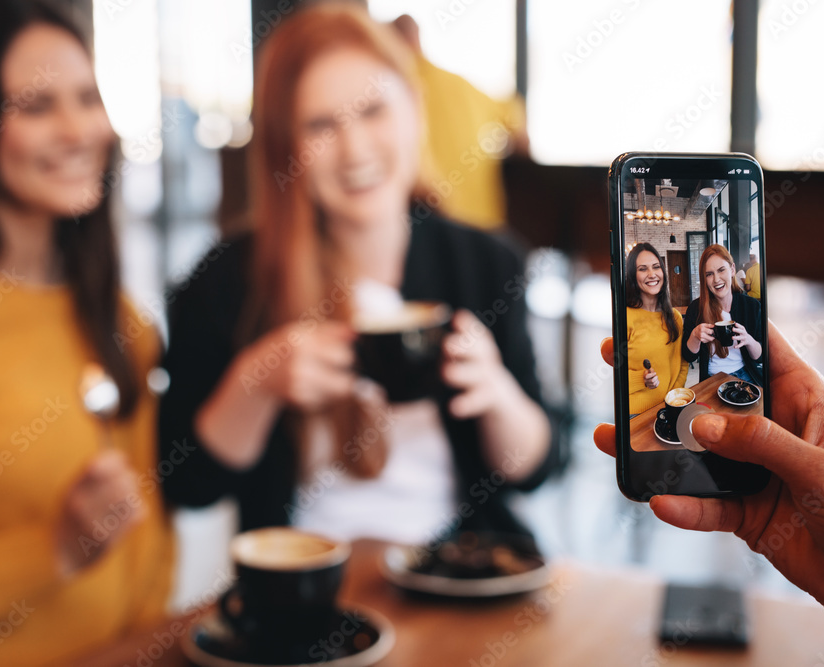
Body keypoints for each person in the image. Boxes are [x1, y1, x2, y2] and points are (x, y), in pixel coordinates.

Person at [158, 3, 559, 545]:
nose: (355, 149)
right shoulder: (228, 279)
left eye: (373, 110)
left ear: (414, 111)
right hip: (306, 591)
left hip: (456, 576)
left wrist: (495, 392)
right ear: (285, 147)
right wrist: (258, 383)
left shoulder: (486, 264)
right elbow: (187, 483)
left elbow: (535, 469)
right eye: (321, 124)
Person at [0, 2, 173, 664]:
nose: (79, 130)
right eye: (36, 105)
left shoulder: (118, 317)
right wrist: (48, 551)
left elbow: (145, 535)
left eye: (85, 97)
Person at [593, 323, 824, 667]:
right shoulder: (694, 318)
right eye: (710, 274)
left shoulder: (743, 318)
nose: (717, 280)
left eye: (723, 272)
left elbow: (758, 361)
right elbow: (688, 360)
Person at [390, 14, 529, 230]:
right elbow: (518, 125)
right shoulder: (461, 85)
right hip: (484, 225)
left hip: (430, 226)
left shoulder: (390, 94)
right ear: (417, 39)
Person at [682, 244, 763, 384]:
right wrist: (695, 336)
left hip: (747, 374)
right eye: (709, 274)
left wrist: (748, 340)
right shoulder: (696, 309)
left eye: (721, 270)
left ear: (732, 270)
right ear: (704, 279)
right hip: (712, 378)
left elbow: (760, 356)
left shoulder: (751, 306)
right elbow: (688, 357)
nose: (716, 279)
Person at [624, 243, 688, 416]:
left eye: (656, 267)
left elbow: (682, 363)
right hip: (634, 414)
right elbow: (608, 378)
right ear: (632, 275)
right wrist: (641, 379)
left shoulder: (674, 317)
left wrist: (674, 397)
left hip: (669, 407)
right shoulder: (624, 317)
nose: (652, 274)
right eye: (642, 269)